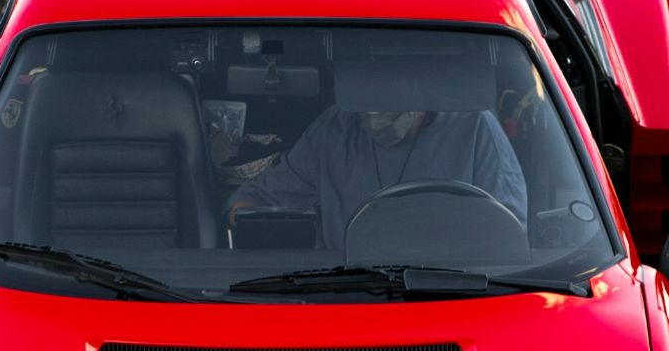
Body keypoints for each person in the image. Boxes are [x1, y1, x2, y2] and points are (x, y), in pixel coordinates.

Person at [227, 105, 529, 249]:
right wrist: (244, 220)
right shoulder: (335, 130)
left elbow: (507, 237)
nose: (377, 106)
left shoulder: (476, 128)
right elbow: (254, 202)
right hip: (342, 304)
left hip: (446, 299)